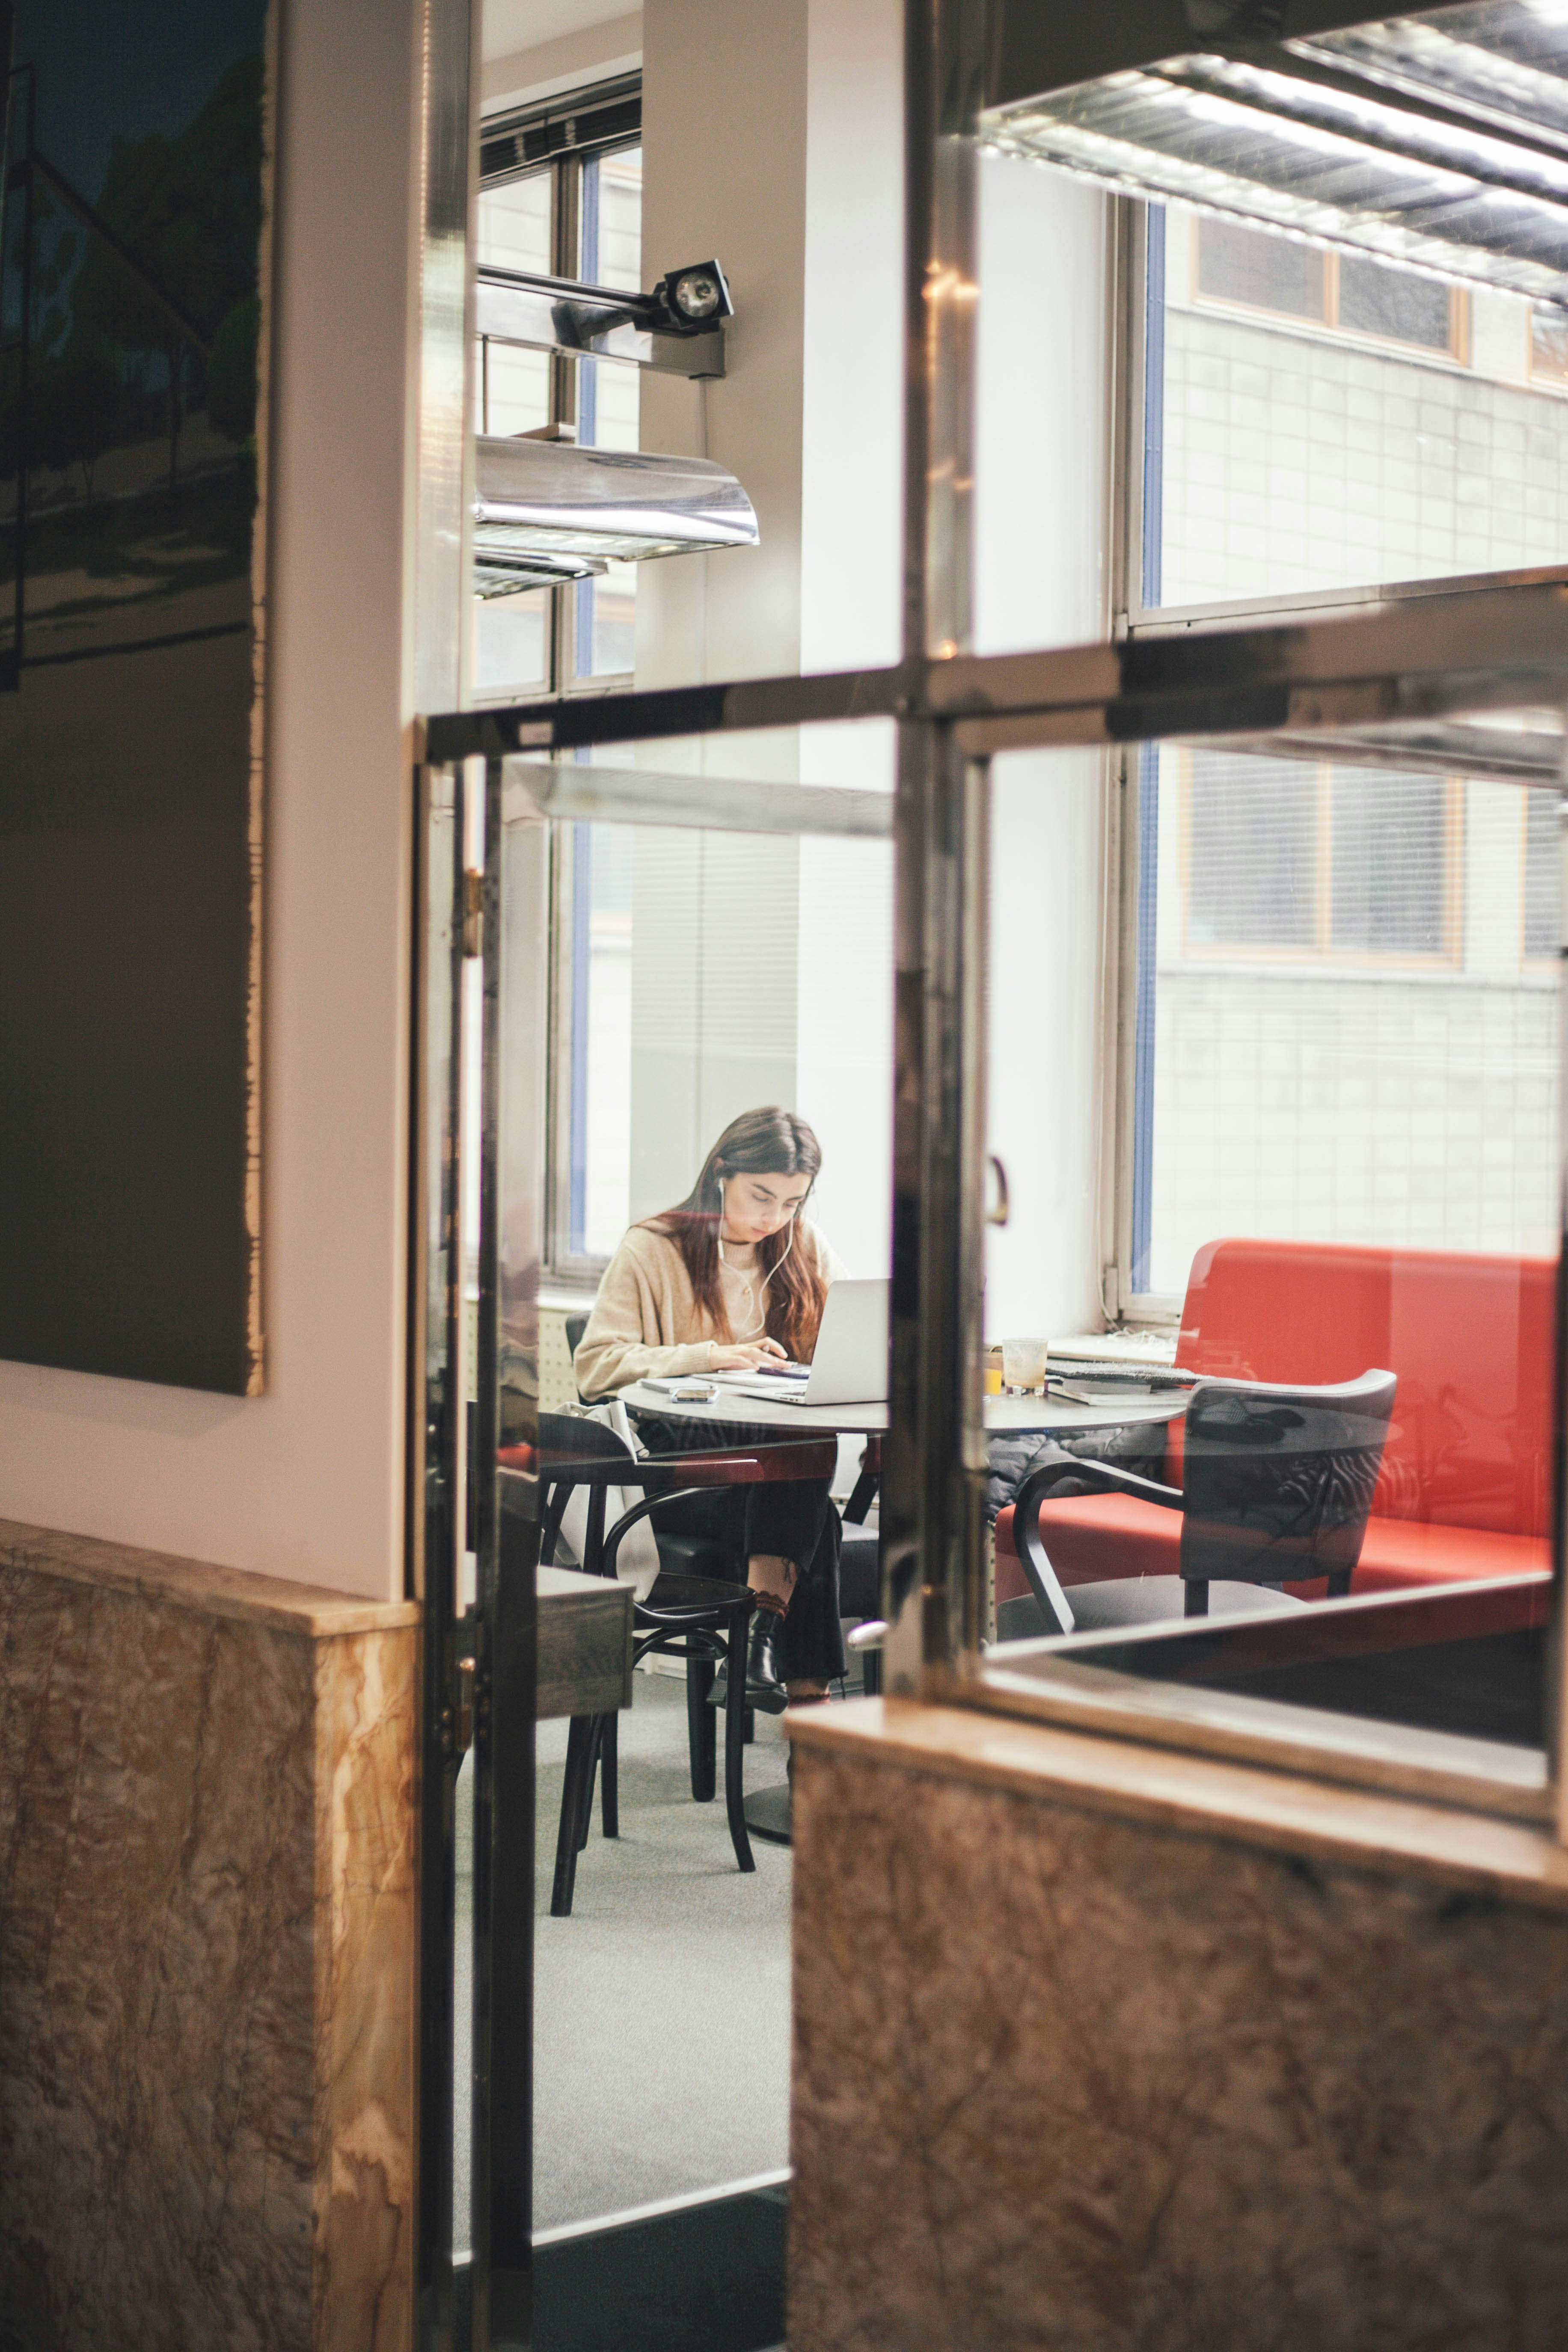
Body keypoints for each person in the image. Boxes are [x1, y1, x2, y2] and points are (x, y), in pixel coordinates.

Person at [575, 1107, 846, 1708]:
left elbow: (850, 1346)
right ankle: (809, 1719)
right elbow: (595, 1367)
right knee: (809, 1489)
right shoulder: (654, 1246)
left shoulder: (802, 1248)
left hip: (767, 1476)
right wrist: (708, 1356)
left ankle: (761, 1648)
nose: (773, 1218)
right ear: (721, 1171)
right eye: (761, 1196)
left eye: (792, 1203)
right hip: (678, 1470)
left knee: (807, 1473)